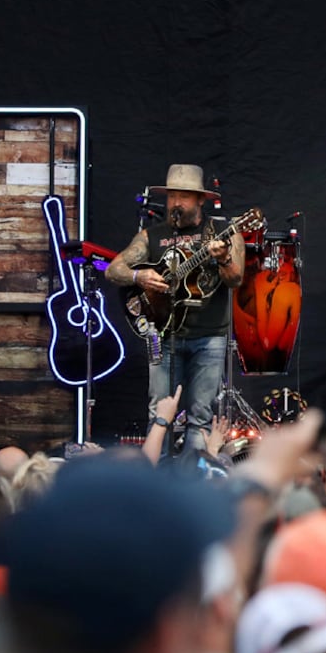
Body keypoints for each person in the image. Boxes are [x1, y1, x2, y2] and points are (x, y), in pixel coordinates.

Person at [107, 164, 244, 458]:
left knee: (200, 416)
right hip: (163, 334)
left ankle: (193, 478)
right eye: (171, 196)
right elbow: (113, 269)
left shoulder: (222, 232)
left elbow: (236, 279)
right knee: (159, 413)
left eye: (183, 196)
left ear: (200, 200)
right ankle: (156, 477)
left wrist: (223, 259)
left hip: (209, 336)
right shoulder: (151, 236)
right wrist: (138, 276)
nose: (175, 203)